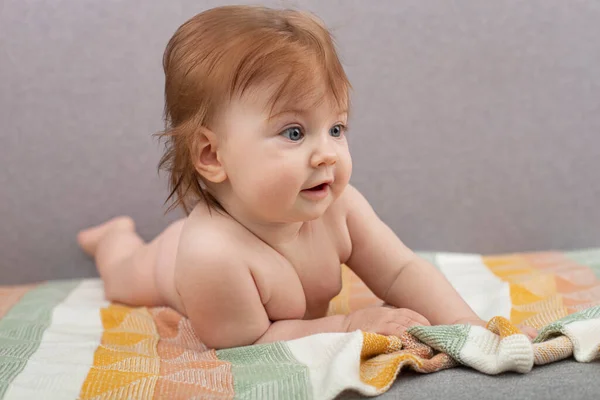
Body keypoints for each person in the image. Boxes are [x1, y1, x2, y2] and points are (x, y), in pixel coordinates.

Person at [77, 5, 536, 349]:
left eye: (336, 128)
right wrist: (346, 325)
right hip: (167, 260)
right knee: (122, 276)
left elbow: (400, 271)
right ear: (212, 155)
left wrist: (471, 330)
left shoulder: (341, 207)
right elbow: (248, 345)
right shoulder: (211, 254)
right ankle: (113, 238)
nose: (328, 154)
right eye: (294, 132)